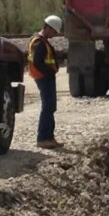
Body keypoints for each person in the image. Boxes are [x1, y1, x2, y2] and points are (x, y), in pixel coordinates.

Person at [28, 15, 63, 149]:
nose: (54, 35)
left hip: (45, 77)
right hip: (44, 78)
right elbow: (38, 62)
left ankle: (49, 137)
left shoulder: (41, 40)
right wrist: (50, 72)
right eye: (54, 32)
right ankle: (43, 138)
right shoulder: (39, 42)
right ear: (48, 28)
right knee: (48, 107)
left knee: (51, 106)